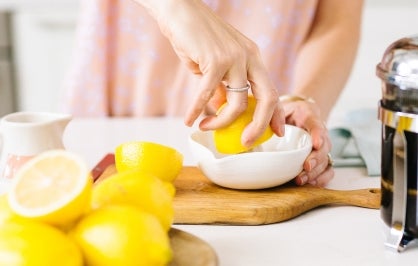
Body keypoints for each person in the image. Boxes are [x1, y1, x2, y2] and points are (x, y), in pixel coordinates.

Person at [62, 0, 364, 187]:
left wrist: (303, 99)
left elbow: (335, 20)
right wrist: (175, 6)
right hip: (127, 79)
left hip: (265, 93)